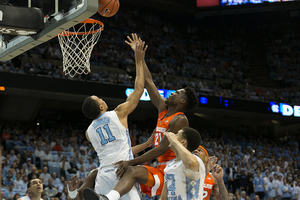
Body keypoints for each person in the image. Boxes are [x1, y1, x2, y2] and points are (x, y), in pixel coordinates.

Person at [86, 33, 198, 200]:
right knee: (127, 175)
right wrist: (139, 56)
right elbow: (148, 82)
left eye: (177, 92)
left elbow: (161, 148)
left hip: (173, 169)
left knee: (129, 171)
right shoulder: (163, 109)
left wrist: (130, 161)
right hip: (161, 167)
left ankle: (106, 198)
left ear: (181, 101)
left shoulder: (180, 119)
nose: (173, 92)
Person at [81, 41, 148, 200]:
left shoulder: (88, 133)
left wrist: (146, 145)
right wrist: (139, 60)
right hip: (122, 173)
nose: (101, 98)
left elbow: (113, 149)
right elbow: (139, 90)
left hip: (103, 176)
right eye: (99, 98)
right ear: (101, 107)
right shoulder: (118, 113)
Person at [67, 134, 155, 200]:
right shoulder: (95, 173)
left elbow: (127, 151)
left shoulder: (128, 167)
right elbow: (81, 196)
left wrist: (147, 144)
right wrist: (72, 192)